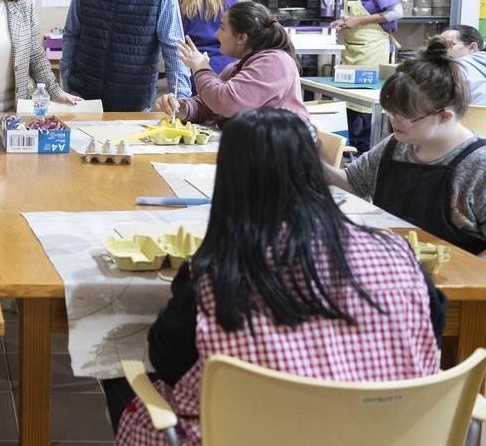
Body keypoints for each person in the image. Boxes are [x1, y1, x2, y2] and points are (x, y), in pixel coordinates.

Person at [115, 108, 444, 445]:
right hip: (384, 434)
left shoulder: (219, 272)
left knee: (130, 389)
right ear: (317, 169)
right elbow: (431, 329)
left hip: (252, 436)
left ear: (230, 178)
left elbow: (167, 360)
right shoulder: (395, 254)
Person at [327, 37, 486, 255]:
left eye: (406, 116)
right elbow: (354, 183)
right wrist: (308, 159)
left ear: (444, 117)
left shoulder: (479, 164)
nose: (394, 121)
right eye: (391, 112)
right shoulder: (397, 145)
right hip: (395, 263)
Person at [61, 0, 191, 112]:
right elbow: (71, 34)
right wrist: (67, 82)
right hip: (84, 99)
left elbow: (174, 49)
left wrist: (181, 99)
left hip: (134, 104)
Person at [153, 1, 308, 126]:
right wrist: (181, 108)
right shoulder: (236, 67)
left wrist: (201, 67)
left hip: (282, 150)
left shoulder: (275, 62)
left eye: (222, 28)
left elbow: (225, 102)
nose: (216, 34)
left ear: (241, 38)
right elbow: (208, 105)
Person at [333, 0, 403, 154]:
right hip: (352, 50)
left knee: (364, 106)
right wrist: (344, 22)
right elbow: (353, 15)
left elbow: (396, 12)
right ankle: (352, 152)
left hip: (372, 51)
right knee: (348, 104)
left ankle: (366, 154)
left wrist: (360, 20)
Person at [177, 0, 239, 77]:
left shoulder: (184, 5)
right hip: (228, 67)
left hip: (195, 67)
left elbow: (179, 38)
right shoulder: (231, 2)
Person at [440, 24, 486, 106]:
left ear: (472, 48)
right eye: (438, 45)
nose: (440, 50)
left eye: (448, 45)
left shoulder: (459, 68)